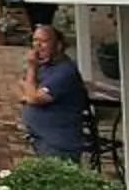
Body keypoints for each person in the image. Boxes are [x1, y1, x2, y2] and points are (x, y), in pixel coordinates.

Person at [17, 23, 88, 159]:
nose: (37, 46)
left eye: (43, 41)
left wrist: (32, 68)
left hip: (57, 145)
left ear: (59, 45)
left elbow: (33, 98)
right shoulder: (44, 66)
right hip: (40, 139)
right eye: (35, 40)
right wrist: (30, 87)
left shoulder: (65, 71)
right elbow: (21, 86)